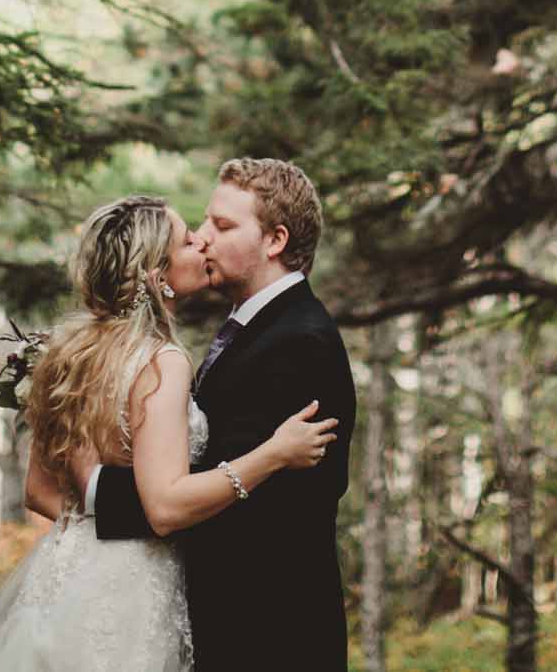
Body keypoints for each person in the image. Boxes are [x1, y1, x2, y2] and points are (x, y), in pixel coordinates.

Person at [0, 193, 337, 672]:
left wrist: (98, 502)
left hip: (63, 582)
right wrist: (273, 453)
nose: (201, 243)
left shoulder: (66, 354)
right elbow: (165, 507)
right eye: (188, 241)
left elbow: (40, 493)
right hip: (131, 592)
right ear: (155, 275)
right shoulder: (160, 361)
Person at [91, 159, 360, 672]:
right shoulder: (257, 327)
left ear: (275, 240)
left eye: (224, 225)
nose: (203, 237)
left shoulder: (299, 341)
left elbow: (255, 503)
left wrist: (90, 493)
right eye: (206, 222)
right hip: (235, 627)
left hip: (270, 636)